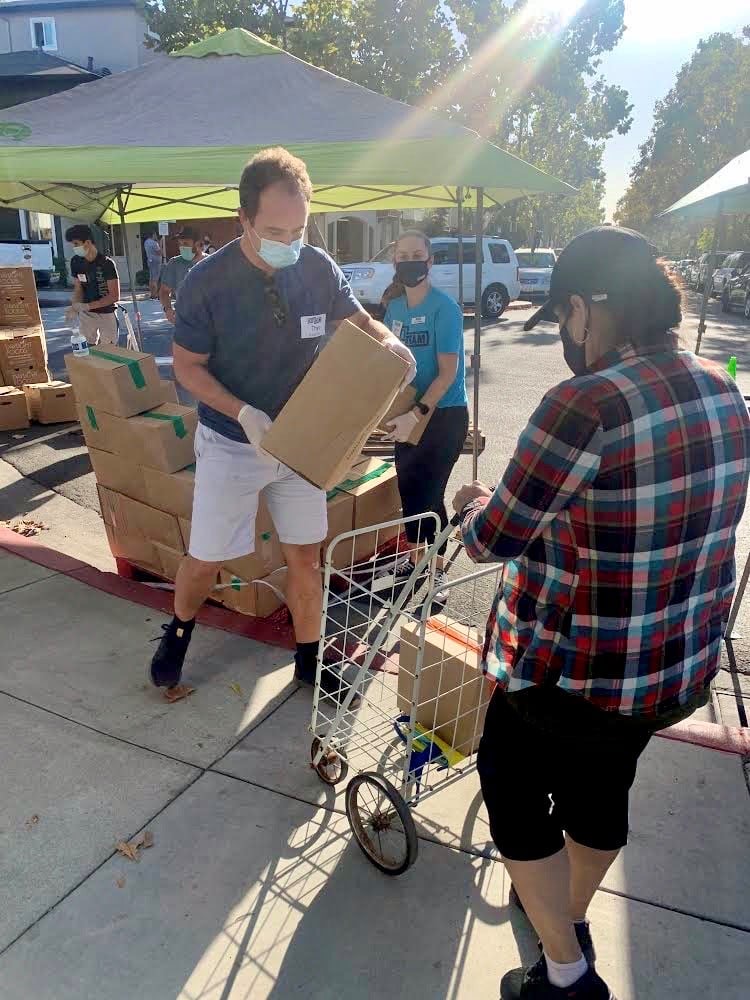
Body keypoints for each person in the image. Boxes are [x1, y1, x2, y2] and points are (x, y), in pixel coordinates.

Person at [453, 226, 750, 1000]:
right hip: (672, 668)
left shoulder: (584, 402)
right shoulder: (721, 385)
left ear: (585, 309)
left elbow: (496, 537)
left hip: (575, 674)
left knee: (511, 789)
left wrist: (471, 502)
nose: (562, 334)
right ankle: (568, 916)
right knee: (601, 789)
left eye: (561, 318)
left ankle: (564, 973)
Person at [147, 147, 415, 701]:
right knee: (208, 556)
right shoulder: (207, 281)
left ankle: (310, 661)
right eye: (274, 230)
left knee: (305, 556)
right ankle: (177, 632)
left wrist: (393, 347)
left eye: (298, 230)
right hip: (230, 441)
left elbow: (360, 323)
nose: (289, 243)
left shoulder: (316, 267)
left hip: (300, 443)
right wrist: (243, 412)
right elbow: (187, 367)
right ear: (243, 219)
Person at [380, 229, 468, 595]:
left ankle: (435, 573)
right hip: (408, 414)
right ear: (395, 262)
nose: (410, 261)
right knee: (408, 490)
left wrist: (417, 413)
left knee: (430, 494)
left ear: (430, 262)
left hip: (443, 416)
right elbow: (388, 365)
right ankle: (416, 561)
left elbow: (447, 374)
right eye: (403, 255)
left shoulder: (444, 309)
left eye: (417, 254)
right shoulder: (394, 309)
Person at [64, 224, 120, 346]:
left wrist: (88, 306)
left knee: (109, 351)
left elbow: (114, 296)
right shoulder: (76, 261)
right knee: (86, 350)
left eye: (75, 244)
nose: (74, 248)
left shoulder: (106, 263)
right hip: (87, 315)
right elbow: (78, 288)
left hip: (107, 313)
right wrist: (74, 306)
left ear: (88, 243)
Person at [159, 227, 204, 326]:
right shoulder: (175, 263)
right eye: (180, 244)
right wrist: (168, 309)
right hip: (184, 320)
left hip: (208, 320)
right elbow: (164, 291)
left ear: (197, 244)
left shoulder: (211, 262)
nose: (181, 247)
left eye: (186, 244)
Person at [144, 231, 162, 298]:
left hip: (149, 260)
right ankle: (155, 295)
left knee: (151, 278)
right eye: (155, 235)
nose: (156, 236)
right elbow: (159, 252)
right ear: (153, 235)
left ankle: (152, 294)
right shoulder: (155, 243)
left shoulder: (146, 242)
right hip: (156, 262)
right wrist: (159, 243)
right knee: (155, 279)